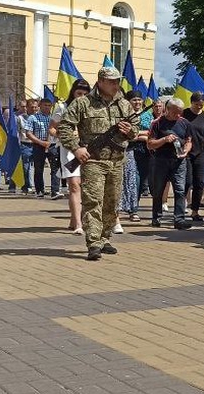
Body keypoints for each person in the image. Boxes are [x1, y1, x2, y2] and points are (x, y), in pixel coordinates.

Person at [57, 67, 138, 261]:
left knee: (112, 202)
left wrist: (130, 131)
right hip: (93, 160)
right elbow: (65, 127)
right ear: (100, 81)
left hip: (117, 161)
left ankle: (104, 237)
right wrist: (76, 149)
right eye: (111, 81)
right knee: (93, 201)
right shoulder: (83, 103)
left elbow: (136, 130)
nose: (116, 84)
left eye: (117, 81)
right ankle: (93, 241)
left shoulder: (124, 105)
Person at [147, 97, 193, 230]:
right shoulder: (157, 123)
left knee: (180, 190)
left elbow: (189, 140)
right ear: (167, 110)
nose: (178, 115)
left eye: (180, 112)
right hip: (161, 160)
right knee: (158, 190)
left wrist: (186, 150)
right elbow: (150, 144)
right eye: (175, 113)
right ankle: (156, 216)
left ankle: (179, 219)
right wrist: (164, 140)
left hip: (179, 161)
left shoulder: (185, 123)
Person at [51, 79, 90, 233]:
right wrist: (63, 134)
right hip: (68, 151)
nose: (81, 97)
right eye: (79, 93)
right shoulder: (62, 107)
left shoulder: (90, 108)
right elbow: (52, 129)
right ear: (73, 92)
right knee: (74, 184)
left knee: (83, 185)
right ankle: (78, 224)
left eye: (85, 94)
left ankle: (74, 219)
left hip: (86, 149)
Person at [181, 92, 204, 222]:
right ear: (192, 102)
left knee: (199, 182)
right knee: (187, 181)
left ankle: (195, 211)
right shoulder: (183, 115)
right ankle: (180, 208)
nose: (199, 107)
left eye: (201, 105)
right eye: (197, 105)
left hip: (201, 153)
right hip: (186, 153)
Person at [117, 91, 146, 225]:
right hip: (127, 150)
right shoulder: (124, 115)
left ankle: (133, 208)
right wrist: (140, 135)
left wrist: (138, 134)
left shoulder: (146, 115)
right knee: (126, 181)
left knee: (138, 182)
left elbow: (152, 131)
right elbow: (128, 134)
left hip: (145, 152)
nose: (137, 102)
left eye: (139, 100)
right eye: (134, 100)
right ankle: (125, 210)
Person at [24, 97, 58, 198]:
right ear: (40, 106)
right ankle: (40, 190)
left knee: (55, 168)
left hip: (52, 145)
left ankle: (55, 190)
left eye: (49, 105)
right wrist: (41, 142)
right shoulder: (33, 118)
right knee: (39, 169)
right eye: (45, 105)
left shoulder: (54, 118)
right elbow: (28, 133)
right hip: (38, 145)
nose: (47, 107)